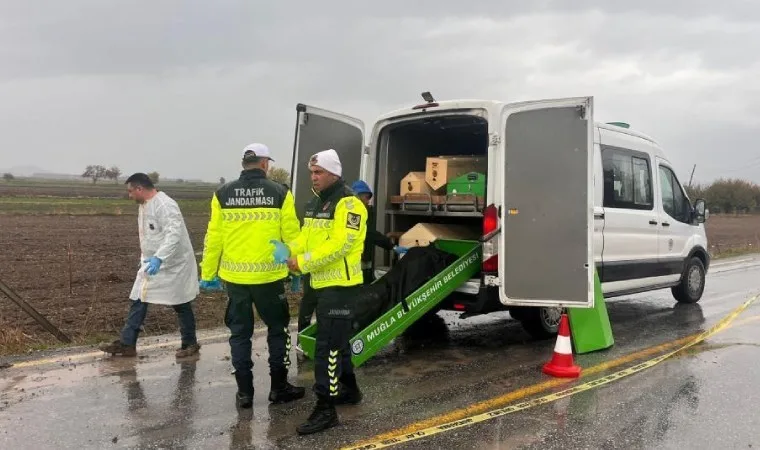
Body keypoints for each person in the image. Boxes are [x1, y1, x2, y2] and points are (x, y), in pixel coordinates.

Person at [199, 143, 305, 409]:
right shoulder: (281, 192)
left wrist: (208, 273)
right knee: (278, 331)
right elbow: (292, 236)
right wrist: (296, 269)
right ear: (265, 164)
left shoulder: (222, 193)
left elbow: (214, 238)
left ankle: (245, 394)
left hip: (235, 280)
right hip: (270, 278)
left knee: (240, 335)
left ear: (244, 163)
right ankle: (279, 388)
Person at [271, 149, 368, 435]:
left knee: (328, 348)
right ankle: (350, 391)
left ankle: (326, 409)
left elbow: (341, 245)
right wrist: (289, 250)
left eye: (319, 172)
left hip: (341, 287)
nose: (314, 177)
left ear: (334, 173)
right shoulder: (316, 202)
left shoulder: (349, 204)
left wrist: (302, 262)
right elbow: (306, 236)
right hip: (321, 283)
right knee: (338, 342)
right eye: (312, 173)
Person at [98, 173, 200, 358]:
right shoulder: (144, 206)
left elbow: (173, 235)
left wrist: (160, 257)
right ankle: (127, 343)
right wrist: (147, 257)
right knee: (139, 298)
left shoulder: (165, 205)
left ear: (139, 189)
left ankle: (190, 343)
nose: (129, 196)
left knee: (181, 302)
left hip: (174, 264)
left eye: (130, 191)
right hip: (151, 263)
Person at [349, 180, 408, 284]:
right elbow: (370, 233)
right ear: (357, 196)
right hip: (353, 262)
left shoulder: (365, 211)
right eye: (366, 198)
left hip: (363, 259)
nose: (368, 201)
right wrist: (392, 246)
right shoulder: (351, 213)